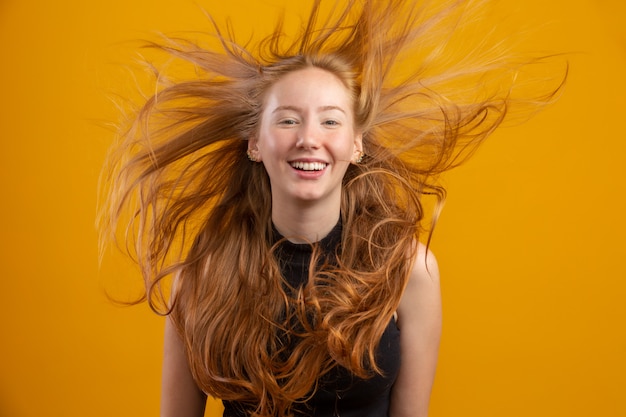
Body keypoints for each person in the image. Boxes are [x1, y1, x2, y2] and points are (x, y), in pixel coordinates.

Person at [98, 0, 563, 416]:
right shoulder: (202, 272)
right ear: (255, 144)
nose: (308, 138)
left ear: (356, 144)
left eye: (330, 120)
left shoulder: (408, 270)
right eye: (287, 120)